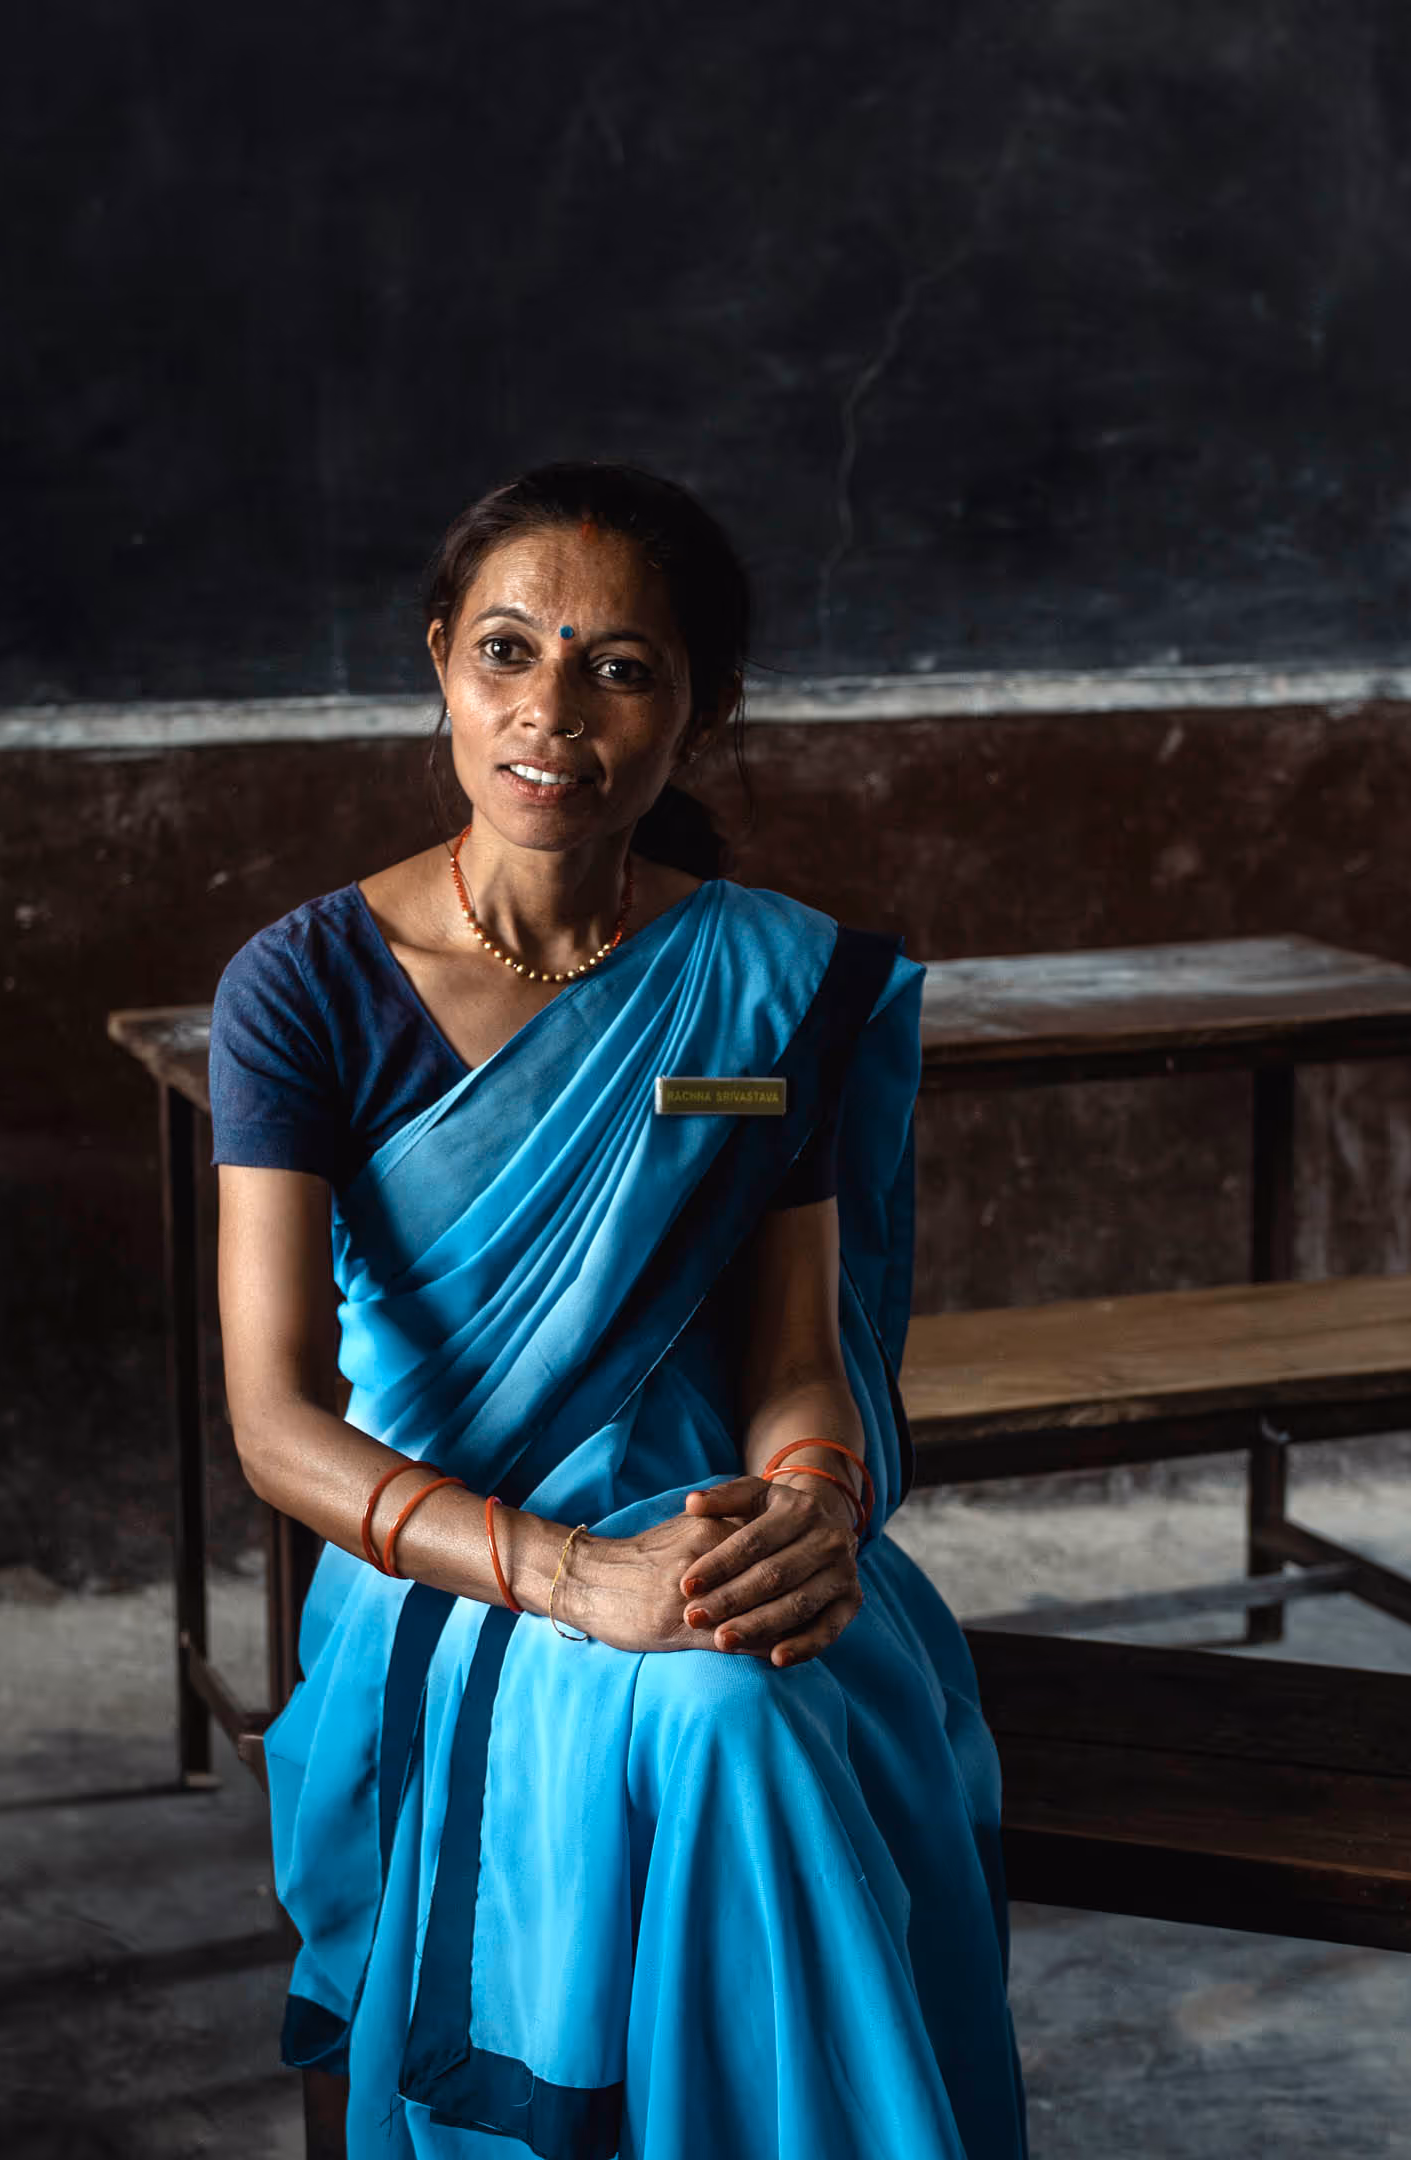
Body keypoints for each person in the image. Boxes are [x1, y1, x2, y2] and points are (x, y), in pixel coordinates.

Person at [210, 460, 1029, 2160]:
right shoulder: (303, 989)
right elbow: (280, 1426)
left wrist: (811, 1507)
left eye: (621, 668)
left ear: (703, 711)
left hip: (721, 1528)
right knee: (730, 1716)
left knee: (741, 1690)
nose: (552, 714)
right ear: (441, 663)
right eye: (507, 652)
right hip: (456, 1564)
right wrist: (579, 1575)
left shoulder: (767, 978)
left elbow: (798, 1355)